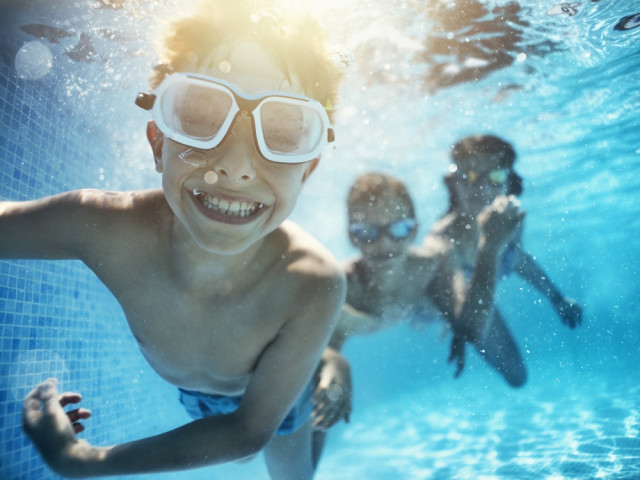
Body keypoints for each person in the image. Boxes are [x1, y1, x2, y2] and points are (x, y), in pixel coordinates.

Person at [0, 1, 346, 478]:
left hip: (275, 409)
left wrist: (82, 460)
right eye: (201, 116)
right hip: (198, 398)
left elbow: (249, 428)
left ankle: (322, 365)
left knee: (289, 471)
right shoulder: (105, 227)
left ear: (308, 169)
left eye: (284, 133)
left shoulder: (312, 281)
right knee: (236, 449)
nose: (236, 166)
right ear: (159, 142)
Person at [311, 171, 526, 466]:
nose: (384, 244)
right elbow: (321, 354)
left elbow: (473, 329)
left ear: (414, 230)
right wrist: (332, 381)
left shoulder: (431, 262)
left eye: (398, 229)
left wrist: (490, 247)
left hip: (433, 305)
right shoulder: (343, 287)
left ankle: (452, 312)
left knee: (517, 376)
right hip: (412, 311)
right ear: (351, 235)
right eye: (366, 232)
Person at [423, 134, 583, 380]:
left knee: (518, 376)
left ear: (509, 183)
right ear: (455, 182)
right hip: (434, 307)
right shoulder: (443, 239)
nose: (483, 187)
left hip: (476, 299)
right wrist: (457, 325)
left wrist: (557, 298)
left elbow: (517, 259)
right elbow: (459, 310)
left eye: (496, 176)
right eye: (471, 175)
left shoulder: (510, 220)